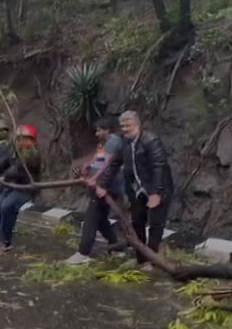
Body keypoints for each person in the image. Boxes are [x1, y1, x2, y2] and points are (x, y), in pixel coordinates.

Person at [93, 111, 174, 271]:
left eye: (128, 125)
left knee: (156, 225)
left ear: (137, 125)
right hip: (137, 190)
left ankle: (152, 259)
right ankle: (141, 260)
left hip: (157, 188)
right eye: (122, 126)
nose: (125, 129)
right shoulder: (125, 143)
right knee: (137, 223)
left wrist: (156, 193)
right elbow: (114, 163)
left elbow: (159, 166)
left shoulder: (150, 141)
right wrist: (102, 184)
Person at [65, 117, 125, 264]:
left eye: (99, 130)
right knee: (101, 220)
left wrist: (95, 179)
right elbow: (98, 160)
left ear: (107, 130)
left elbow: (107, 164)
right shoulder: (104, 144)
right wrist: (87, 166)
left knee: (91, 218)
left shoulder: (114, 142)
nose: (96, 133)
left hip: (106, 186)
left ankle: (83, 252)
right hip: (98, 185)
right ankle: (116, 248)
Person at [0, 125, 41, 253]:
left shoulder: (32, 155)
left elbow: (17, 171)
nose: (22, 142)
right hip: (11, 187)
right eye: (20, 139)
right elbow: (1, 165)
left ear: (32, 141)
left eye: (26, 139)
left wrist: (4, 177)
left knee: (6, 206)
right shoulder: (14, 153)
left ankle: (4, 242)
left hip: (24, 189)